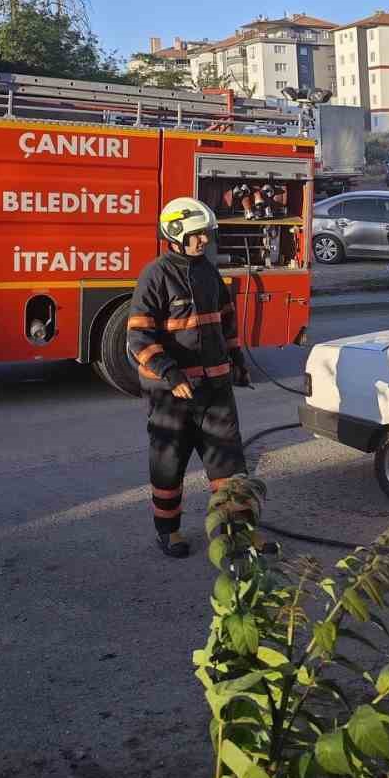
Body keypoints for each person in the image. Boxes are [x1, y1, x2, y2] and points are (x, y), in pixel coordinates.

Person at [126, 197, 264, 559]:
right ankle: (167, 532)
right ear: (176, 233)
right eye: (198, 234)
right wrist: (169, 372)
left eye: (206, 234)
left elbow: (225, 320)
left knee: (230, 466)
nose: (204, 240)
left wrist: (236, 360)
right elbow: (138, 335)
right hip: (172, 394)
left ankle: (238, 534)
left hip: (214, 389)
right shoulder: (155, 275)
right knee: (168, 463)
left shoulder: (207, 272)